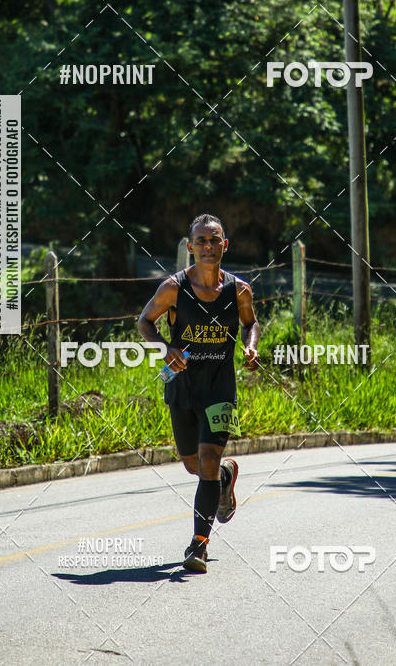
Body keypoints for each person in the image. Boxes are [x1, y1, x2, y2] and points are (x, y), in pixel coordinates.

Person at [137, 214, 260, 573]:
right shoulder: (174, 287)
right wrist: (165, 348)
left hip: (220, 387)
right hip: (182, 386)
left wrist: (251, 346)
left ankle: (199, 545)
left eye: (214, 239)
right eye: (201, 241)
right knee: (194, 464)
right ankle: (224, 477)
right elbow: (145, 321)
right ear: (190, 247)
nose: (208, 246)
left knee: (207, 458)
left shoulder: (239, 290)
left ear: (225, 245)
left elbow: (251, 323)